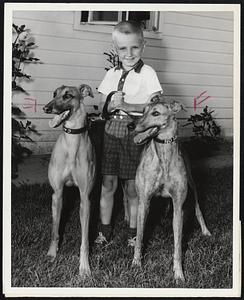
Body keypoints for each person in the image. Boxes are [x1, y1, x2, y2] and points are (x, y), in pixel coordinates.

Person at [95, 20, 163, 246]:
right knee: (108, 183)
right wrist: (110, 105)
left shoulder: (148, 73)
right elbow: (102, 107)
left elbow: (154, 107)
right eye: (123, 48)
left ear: (143, 45)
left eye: (134, 47)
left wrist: (129, 106)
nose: (129, 53)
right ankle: (104, 230)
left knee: (133, 186)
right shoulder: (111, 73)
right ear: (115, 49)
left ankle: (134, 233)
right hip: (111, 132)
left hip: (133, 133)